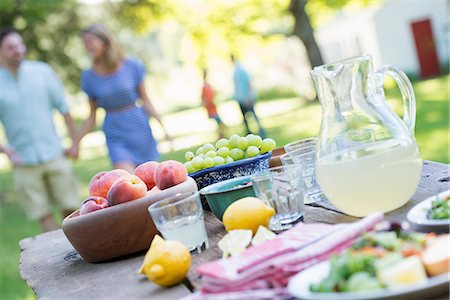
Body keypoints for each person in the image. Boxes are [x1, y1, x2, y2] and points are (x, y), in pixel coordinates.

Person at [0, 28, 80, 232]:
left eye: (19, 44)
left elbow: (64, 108)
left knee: (72, 210)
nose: (18, 50)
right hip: (23, 161)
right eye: (11, 47)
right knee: (43, 215)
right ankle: (58, 258)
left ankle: (81, 250)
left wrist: (75, 143)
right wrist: (5, 150)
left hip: (54, 153)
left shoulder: (42, 71)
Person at [74, 24, 171, 173]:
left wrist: (164, 128)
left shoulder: (132, 65)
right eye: (85, 42)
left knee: (150, 178)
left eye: (90, 41)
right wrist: (76, 143)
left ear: (105, 42)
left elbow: (146, 100)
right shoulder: (89, 77)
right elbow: (91, 116)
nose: (87, 46)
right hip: (114, 132)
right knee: (126, 179)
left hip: (138, 125)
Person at [230, 54, 266, 137]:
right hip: (240, 98)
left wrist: (249, 97)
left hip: (246, 98)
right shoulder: (235, 71)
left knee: (253, 115)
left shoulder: (242, 70)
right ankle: (249, 132)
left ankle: (261, 131)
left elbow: (249, 84)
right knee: (244, 118)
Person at [201, 69, 226, 138]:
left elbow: (212, 94)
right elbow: (204, 98)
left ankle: (220, 136)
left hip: (213, 107)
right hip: (211, 107)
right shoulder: (204, 86)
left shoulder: (208, 85)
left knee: (219, 123)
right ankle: (221, 136)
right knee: (220, 122)